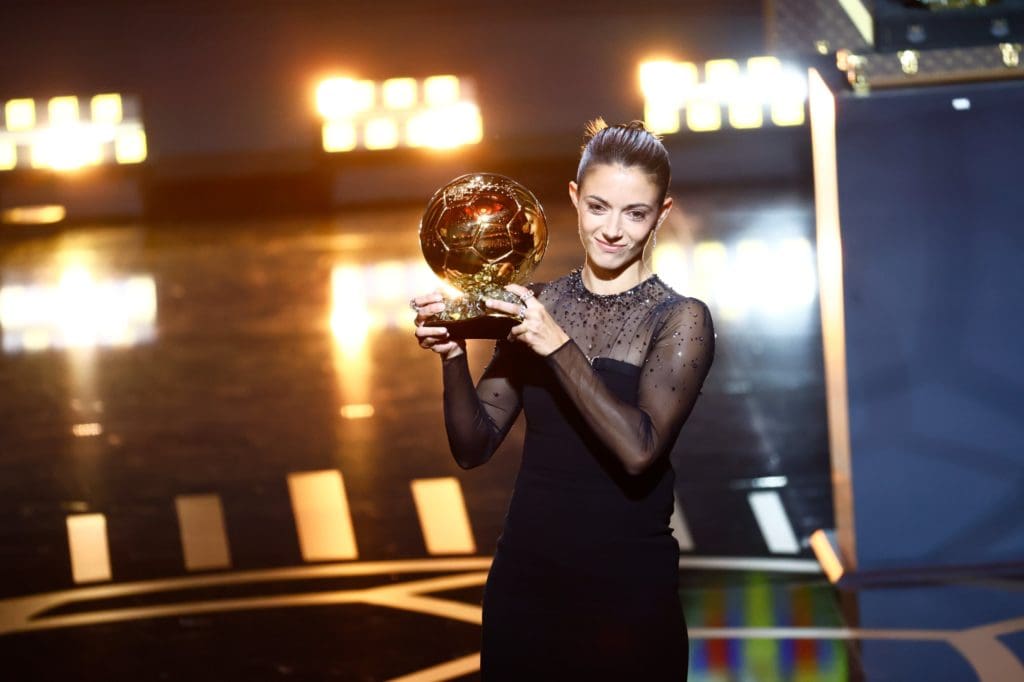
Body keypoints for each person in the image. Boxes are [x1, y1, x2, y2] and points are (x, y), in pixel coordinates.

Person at [412, 120, 714, 680]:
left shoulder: (679, 319)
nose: (613, 230)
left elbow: (639, 451)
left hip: (627, 593)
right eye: (598, 207)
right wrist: (453, 357)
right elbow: (473, 446)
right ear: (574, 198)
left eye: (635, 213)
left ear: (663, 213)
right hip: (527, 582)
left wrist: (556, 345)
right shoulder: (541, 301)